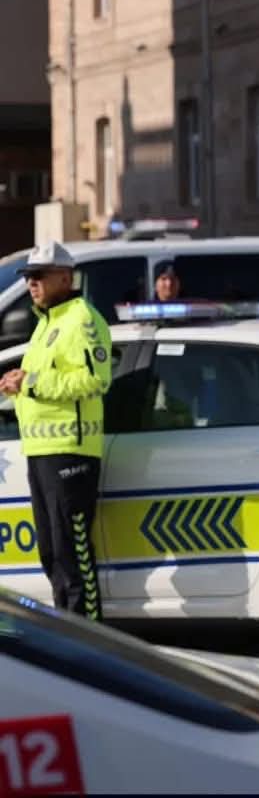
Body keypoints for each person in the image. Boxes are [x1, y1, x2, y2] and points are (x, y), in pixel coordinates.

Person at [0, 242, 111, 619]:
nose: (31, 284)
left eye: (39, 276)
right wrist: (20, 383)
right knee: (51, 553)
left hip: (70, 453)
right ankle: (69, 629)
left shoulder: (81, 319)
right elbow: (43, 382)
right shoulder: (47, 323)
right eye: (28, 277)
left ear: (65, 277)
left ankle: (90, 638)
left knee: (72, 555)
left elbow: (95, 380)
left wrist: (29, 382)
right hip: (41, 453)